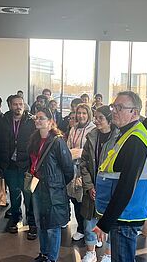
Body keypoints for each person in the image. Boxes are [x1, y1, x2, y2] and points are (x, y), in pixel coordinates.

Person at [93, 91, 147, 261]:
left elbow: (127, 186)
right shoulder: (126, 133)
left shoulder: (136, 139)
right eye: (113, 106)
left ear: (134, 112)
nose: (113, 110)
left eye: (119, 107)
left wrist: (105, 223)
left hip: (125, 215)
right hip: (122, 214)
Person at [28, 108, 73, 262]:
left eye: (42, 118)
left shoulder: (57, 141)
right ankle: (44, 253)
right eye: (36, 117)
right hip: (38, 188)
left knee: (53, 227)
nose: (38, 120)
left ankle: (52, 258)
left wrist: (57, 183)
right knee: (41, 224)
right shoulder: (34, 139)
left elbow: (68, 169)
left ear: (50, 121)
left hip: (53, 191)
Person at [0, 95, 38, 239]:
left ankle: (32, 222)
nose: (18, 107)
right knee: (14, 194)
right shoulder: (2, 121)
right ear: (9, 105)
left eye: (21, 104)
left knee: (29, 195)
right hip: (9, 165)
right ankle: (16, 218)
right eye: (15, 104)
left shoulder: (31, 122)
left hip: (26, 165)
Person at [80, 106, 118, 262]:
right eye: (95, 117)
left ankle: (108, 253)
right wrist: (89, 186)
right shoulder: (91, 136)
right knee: (89, 221)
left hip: (110, 188)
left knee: (111, 221)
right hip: (93, 187)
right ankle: (91, 251)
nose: (96, 120)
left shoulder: (119, 137)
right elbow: (83, 163)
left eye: (100, 118)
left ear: (109, 119)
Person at [67, 103, 96, 241]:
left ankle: (92, 233)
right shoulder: (73, 128)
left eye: (84, 113)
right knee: (75, 200)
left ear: (88, 114)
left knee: (87, 202)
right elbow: (68, 146)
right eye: (79, 113)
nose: (81, 116)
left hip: (86, 170)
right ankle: (80, 228)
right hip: (73, 169)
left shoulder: (94, 130)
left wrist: (79, 153)